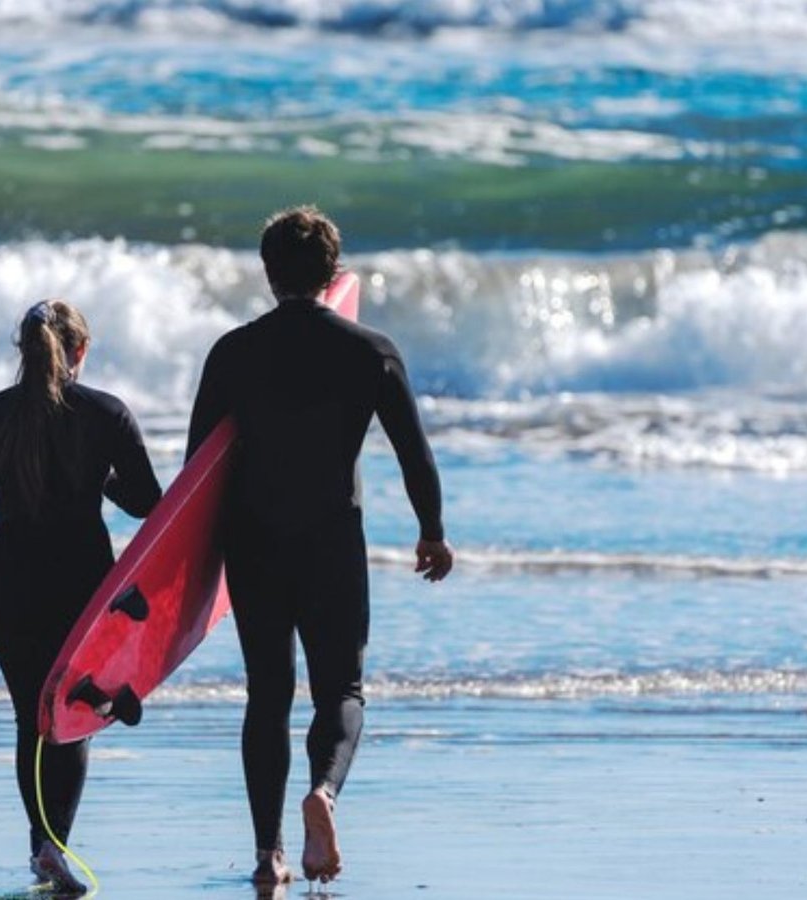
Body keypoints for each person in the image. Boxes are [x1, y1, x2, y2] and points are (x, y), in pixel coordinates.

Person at [186, 206, 454, 888]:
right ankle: (324, 794)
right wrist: (432, 532)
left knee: (267, 694)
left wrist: (192, 574)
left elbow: (196, 474)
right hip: (332, 537)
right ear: (335, 273)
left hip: (253, 540)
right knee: (342, 688)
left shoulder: (233, 352)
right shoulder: (371, 350)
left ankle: (269, 853)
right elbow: (414, 456)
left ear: (268, 274)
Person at [0, 299, 160, 897]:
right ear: (79, 351)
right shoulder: (107, 415)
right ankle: (54, 846)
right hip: (83, 590)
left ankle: (40, 846)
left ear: (23, 353)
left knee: (32, 719)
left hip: (12, 590)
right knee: (72, 719)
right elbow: (150, 502)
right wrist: (101, 479)